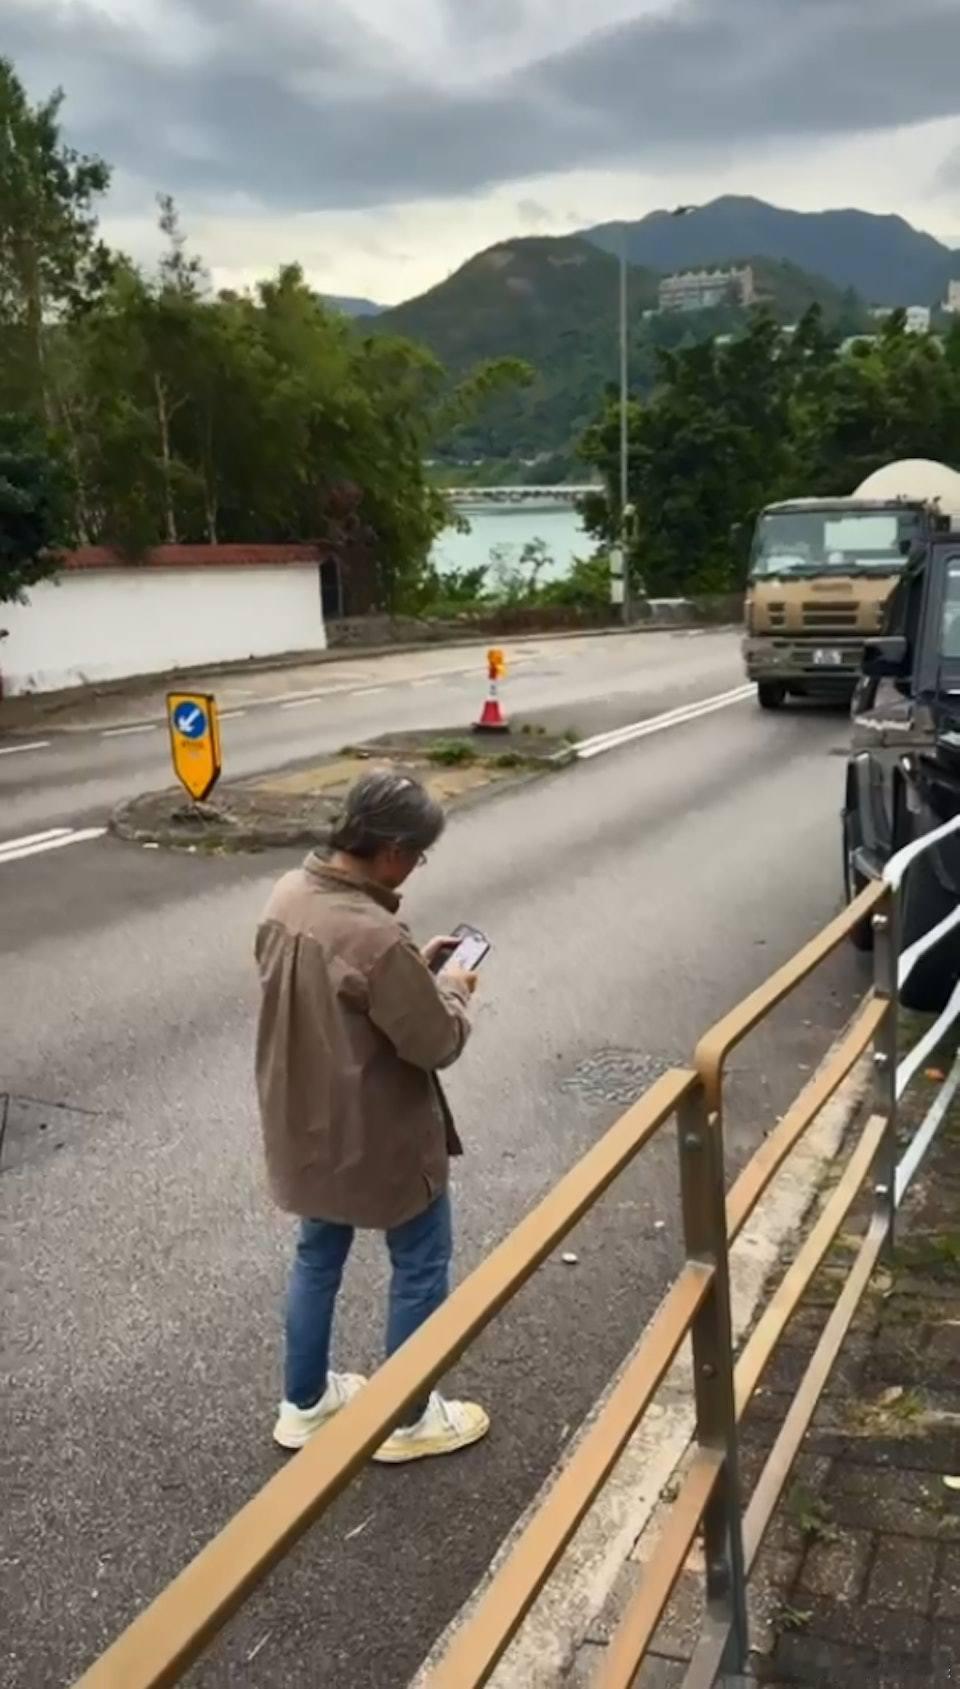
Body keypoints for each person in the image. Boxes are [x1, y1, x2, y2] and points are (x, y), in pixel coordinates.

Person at [255, 769, 489, 1463]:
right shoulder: (374, 935)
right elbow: (434, 1041)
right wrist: (447, 988)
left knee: (316, 1257)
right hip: (379, 1134)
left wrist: (414, 969)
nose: (416, 867)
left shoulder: (286, 895)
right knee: (420, 1263)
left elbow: (335, 996)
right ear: (389, 850)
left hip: (304, 1120)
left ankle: (304, 1404)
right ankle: (408, 1417)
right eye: (418, 854)